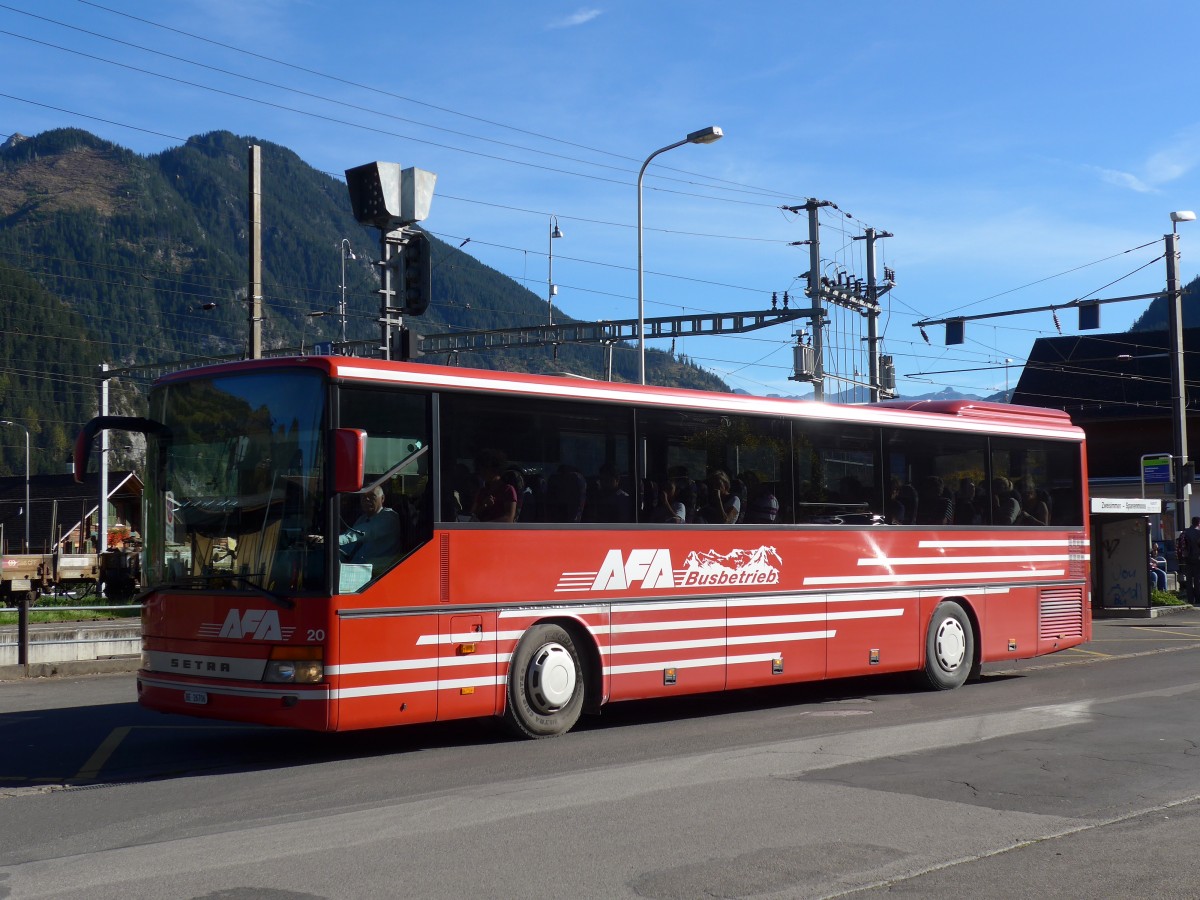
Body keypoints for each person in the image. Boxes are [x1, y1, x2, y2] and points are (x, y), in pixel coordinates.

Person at [311, 485, 401, 565]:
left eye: (372, 496)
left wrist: (331, 540)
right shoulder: (362, 519)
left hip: (379, 574)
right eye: (363, 496)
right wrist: (325, 545)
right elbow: (349, 546)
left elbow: (362, 533)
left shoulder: (389, 517)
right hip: (357, 568)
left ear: (382, 498)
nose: (367, 499)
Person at [471, 449, 519, 523]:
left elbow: (509, 519)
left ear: (494, 469)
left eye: (485, 469)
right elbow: (472, 515)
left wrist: (484, 526)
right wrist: (484, 505)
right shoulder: (482, 491)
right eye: (480, 470)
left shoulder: (508, 490)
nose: (482, 473)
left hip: (499, 533)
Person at [1177, 517, 1200, 604]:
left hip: (1187, 559)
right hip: (1197, 559)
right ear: (1198, 523)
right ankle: (1198, 599)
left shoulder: (1184, 532)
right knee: (1197, 580)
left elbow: (1180, 546)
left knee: (1189, 580)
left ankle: (1190, 599)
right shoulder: (1198, 533)